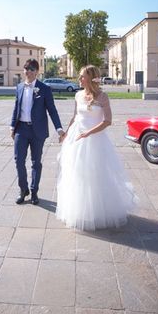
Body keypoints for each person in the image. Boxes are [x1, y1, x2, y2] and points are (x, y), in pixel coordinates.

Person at [56, 65, 137, 231]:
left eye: (82, 76)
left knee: (96, 175)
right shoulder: (78, 95)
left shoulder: (102, 96)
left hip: (95, 141)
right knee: (77, 175)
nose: (79, 79)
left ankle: (98, 212)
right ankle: (80, 210)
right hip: (76, 140)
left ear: (91, 78)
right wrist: (66, 134)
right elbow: (75, 116)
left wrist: (88, 133)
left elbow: (107, 121)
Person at [10, 59, 65, 205]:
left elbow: (52, 110)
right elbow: (16, 107)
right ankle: (23, 189)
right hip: (21, 129)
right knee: (18, 160)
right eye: (26, 69)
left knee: (36, 162)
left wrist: (59, 129)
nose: (28, 72)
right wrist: (12, 127)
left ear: (37, 72)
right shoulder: (20, 87)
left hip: (37, 131)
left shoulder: (44, 89)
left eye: (31, 69)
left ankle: (34, 192)